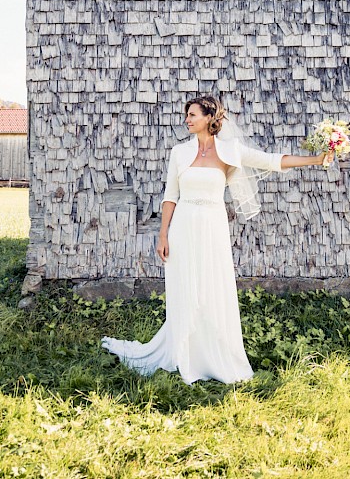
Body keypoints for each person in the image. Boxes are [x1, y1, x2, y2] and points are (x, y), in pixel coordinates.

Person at [101, 95, 334, 385]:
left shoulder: (230, 151)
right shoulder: (179, 153)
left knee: (212, 287)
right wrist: (163, 234)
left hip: (212, 227)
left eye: (193, 115)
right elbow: (170, 196)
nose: (187, 119)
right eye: (186, 115)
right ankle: (184, 351)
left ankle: (213, 355)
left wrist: (316, 159)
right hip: (183, 227)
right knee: (186, 287)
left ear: (210, 117)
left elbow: (274, 161)